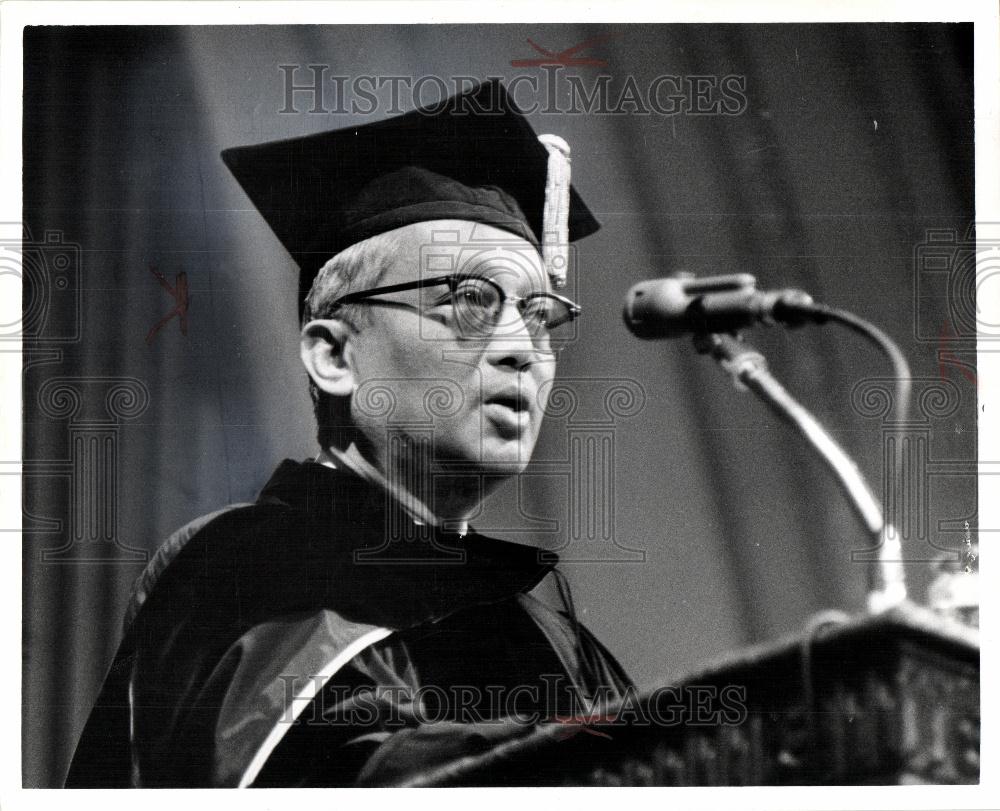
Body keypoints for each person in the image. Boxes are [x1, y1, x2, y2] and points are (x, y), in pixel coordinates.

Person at [65, 80, 632, 788]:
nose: (523, 346)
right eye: (471, 300)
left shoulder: (549, 634)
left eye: (540, 314)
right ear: (334, 355)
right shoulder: (249, 567)